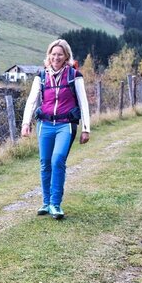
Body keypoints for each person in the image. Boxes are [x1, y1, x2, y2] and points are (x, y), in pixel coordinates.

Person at [21, 39, 91, 220]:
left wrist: (86, 129)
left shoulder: (74, 75)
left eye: (60, 54)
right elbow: (32, 100)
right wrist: (26, 123)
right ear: (48, 56)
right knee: (45, 162)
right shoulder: (41, 76)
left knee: (58, 159)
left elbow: (83, 103)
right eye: (53, 54)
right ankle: (46, 202)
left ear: (66, 56)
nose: (56, 57)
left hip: (65, 125)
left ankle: (55, 204)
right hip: (44, 125)